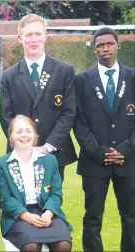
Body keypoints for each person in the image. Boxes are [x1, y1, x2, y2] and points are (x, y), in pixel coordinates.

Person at [73, 27, 135, 252]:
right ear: (94, 49)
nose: (105, 49)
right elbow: (78, 121)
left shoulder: (133, 77)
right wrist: (99, 152)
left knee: (131, 218)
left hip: (128, 161)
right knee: (92, 218)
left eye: (109, 44)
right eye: (100, 45)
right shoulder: (81, 81)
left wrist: (126, 150)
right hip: (94, 162)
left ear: (118, 45)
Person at [0, 14, 77, 182]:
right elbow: (6, 117)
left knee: (51, 204)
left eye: (37, 34)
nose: (33, 39)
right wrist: (25, 146)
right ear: (20, 39)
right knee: (21, 205)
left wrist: (47, 146)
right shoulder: (8, 76)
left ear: (45, 36)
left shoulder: (64, 71)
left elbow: (69, 113)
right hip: (20, 154)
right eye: (28, 35)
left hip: (54, 153)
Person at [0, 115, 72, 251]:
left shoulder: (50, 160)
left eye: (28, 131)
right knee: (31, 246)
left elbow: (56, 194)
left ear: (35, 135)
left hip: (46, 212)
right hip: (18, 216)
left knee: (63, 245)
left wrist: (49, 213)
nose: (24, 135)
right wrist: (27, 216)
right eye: (19, 132)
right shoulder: (2, 164)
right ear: (11, 137)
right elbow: (5, 199)